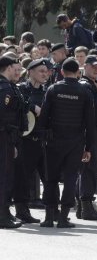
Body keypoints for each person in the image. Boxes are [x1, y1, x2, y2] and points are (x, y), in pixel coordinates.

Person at [38, 58, 95, 228]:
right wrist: (89, 147)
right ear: (78, 72)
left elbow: (43, 116)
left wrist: (42, 137)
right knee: (70, 179)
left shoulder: (53, 89)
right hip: (75, 142)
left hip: (53, 141)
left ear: (62, 72)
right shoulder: (85, 92)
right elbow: (90, 123)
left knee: (51, 179)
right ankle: (63, 218)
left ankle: (49, 217)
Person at [12, 58, 50, 224]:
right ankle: (22, 211)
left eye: (46, 71)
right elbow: (16, 104)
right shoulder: (21, 89)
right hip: (25, 140)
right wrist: (32, 107)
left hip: (43, 140)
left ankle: (52, 211)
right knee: (23, 178)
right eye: (41, 71)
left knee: (49, 177)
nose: (44, 74)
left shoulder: (47, 91)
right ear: (30, 72)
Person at [75, 55, 97, 220]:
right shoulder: (86, 86)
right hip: (88, 132)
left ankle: (82, 207)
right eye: (94, 66)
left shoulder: (94, 84)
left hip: (92, 131)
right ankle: (86, 207)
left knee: (86, 169)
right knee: (88, 169)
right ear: (86, 67)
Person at [0, 55, 24, 228]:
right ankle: (2, 217)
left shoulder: (8, 86)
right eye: (14, 67)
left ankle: (5, 212)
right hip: (4, 136)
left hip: (7, 136)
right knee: (4, 177)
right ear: (8, 67)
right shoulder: (5, 88)